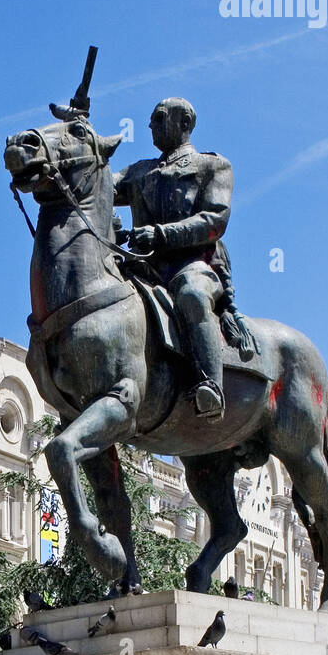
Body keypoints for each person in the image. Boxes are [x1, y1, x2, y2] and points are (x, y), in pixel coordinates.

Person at [113, 97, 233, 420]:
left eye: (159, 117)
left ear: (184, 124)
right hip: (144, 268)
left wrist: (161, 234)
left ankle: (211, 386)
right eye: (151, 119)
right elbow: (98, 185)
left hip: (191, 265)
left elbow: (214, 220)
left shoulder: (211, 166)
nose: (151, 125)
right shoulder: (139, 172)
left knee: (192, 295)